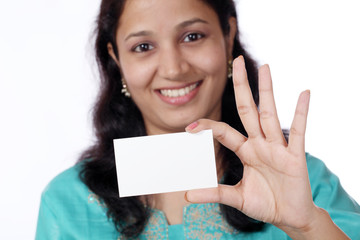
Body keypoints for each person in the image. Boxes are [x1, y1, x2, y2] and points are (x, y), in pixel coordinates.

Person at [35, 0, 360, 239]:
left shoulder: (304, 183)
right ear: (115, 58)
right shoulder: (69, 202)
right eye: (143, 46)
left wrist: (308, 226)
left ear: (228, 34)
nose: (174, 69)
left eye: (192, 36)